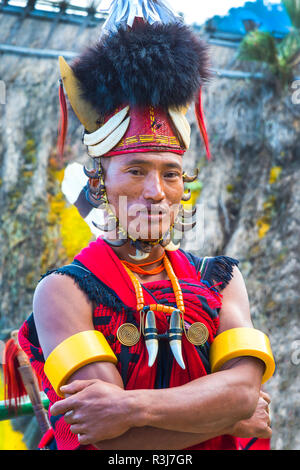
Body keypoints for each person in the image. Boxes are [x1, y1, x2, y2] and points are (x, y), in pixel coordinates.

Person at [18, 0, 275, 451]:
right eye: (136, 170)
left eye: (170, 173)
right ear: (100, 182)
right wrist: (228, 419)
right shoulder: (63, 291)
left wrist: (132, 409)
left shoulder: (222, 278)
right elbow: (102, 437)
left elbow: (242, 392)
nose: (156, 190)